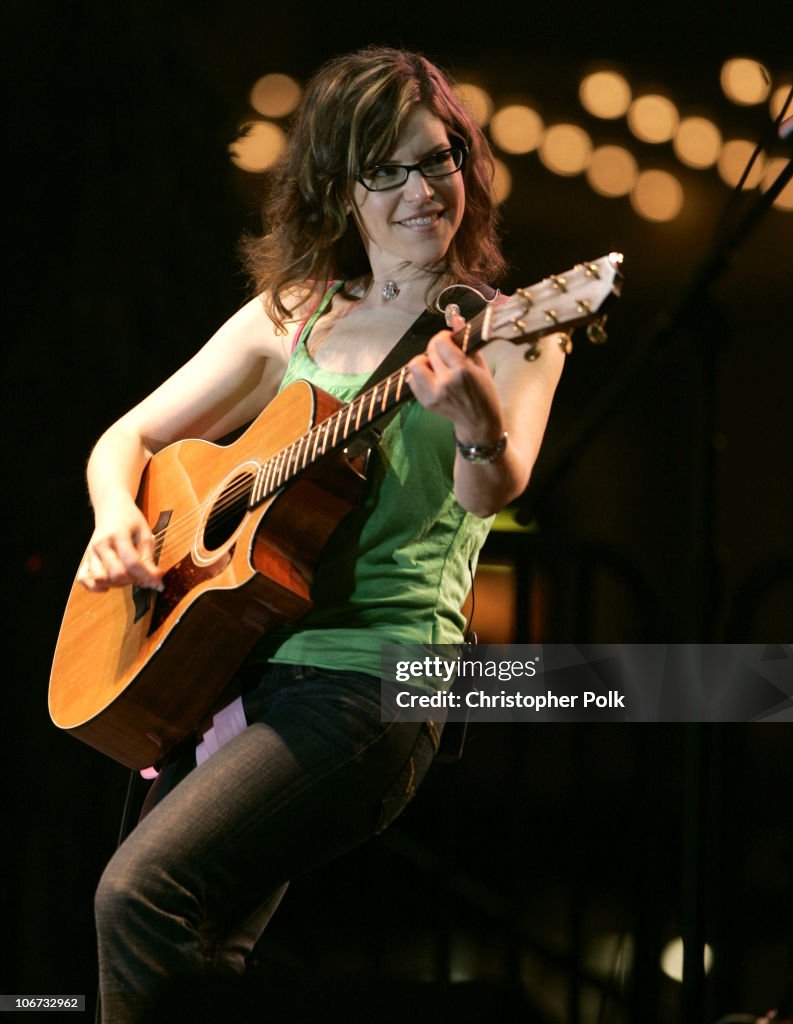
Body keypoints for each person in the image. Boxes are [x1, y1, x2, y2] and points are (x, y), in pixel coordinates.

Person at [80, 46, 565, 1022]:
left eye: (441, 161)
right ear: (339, 190)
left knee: (135, 898)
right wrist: (118, 518)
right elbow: (126, 436)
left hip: (377, 680)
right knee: (191, 945)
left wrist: (476, 422)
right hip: (239, 668)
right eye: (385, 170)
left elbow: (488, 493)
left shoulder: (515, 327)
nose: (423, 191)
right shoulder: (289, 320)